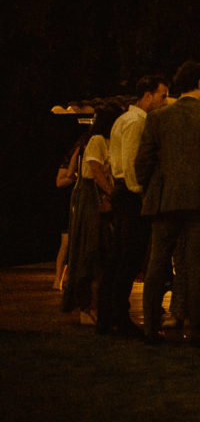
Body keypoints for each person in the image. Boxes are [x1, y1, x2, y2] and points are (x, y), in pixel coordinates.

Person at [135, 61, 200, 345]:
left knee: (157, 263)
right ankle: (199, 328)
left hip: (165, 200)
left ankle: (151, 327)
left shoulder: (158, 118)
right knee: (197, 264)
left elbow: (143, 161)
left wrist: (151, 189)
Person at [97, 75, 169, 337]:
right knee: (129, 257)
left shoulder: (124, 120)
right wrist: (140, 193)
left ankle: (107, 316)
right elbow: (130, 164)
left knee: (118, 256)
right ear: (147, 96)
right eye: (162, 95)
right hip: (130, 194)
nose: (164, 101)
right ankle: (118, 315)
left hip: (122, 191)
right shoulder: (136, 122)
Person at [62, 107, 118, 327]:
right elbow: (95, 171)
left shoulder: (105, 141)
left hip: (98, 198)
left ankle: (95, 306)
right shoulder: (96, 140)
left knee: (100, 253)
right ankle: (88, 306)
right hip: (91, 199)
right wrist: (111, 193)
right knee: (91, 250)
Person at [55, 130, 90, 290]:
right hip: (70, 204)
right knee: (67, 243)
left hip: (80, 203)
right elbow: (61, 180)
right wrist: (75, 176)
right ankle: (58, 280)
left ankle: (69, 279)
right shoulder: (73, 156)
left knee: (74, 243)